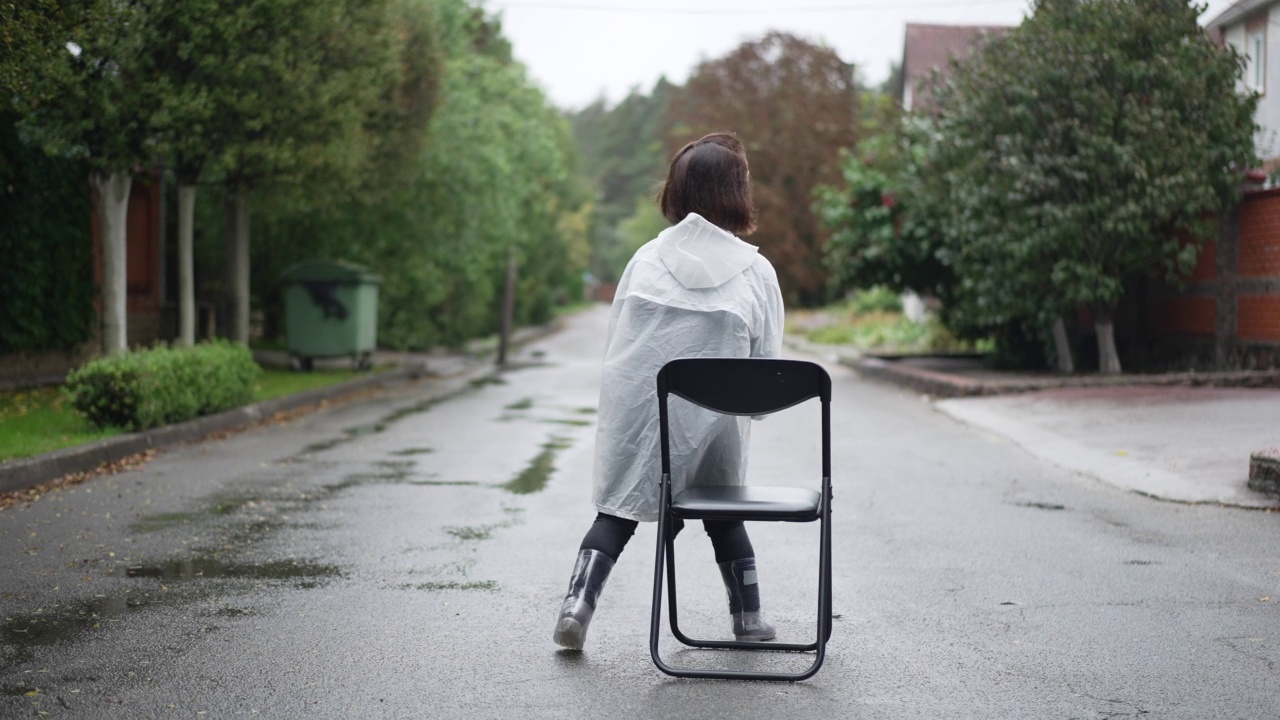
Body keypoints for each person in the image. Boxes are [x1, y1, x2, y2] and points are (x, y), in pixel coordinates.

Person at [553, 132, 785, 651]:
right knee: (725, 512)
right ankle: (748, 617)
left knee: (616, 511)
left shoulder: (645, 262)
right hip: (717, 425)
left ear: (678, 192)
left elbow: (619, 352)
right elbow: (766, 378)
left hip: (643, 421)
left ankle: (577, 605)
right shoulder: (755, 272)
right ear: (735, 193)